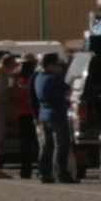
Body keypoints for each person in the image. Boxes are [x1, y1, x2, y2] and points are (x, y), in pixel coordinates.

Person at [0, 54, 35, 176]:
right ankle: (29, 170)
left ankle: (25, 170)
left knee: (25, 143)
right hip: (31, 113)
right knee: (33, 143)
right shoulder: (32, 78)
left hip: (21, 113)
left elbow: (12, 95)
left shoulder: (16, 79)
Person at [35, 55, 74, 184]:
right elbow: (68, 91)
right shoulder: (54, 78)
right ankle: (61, 173)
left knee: (46, 146)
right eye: (56, 65)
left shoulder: (38, 78)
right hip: (57, 115)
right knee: (61, 146)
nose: (58, 68)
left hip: (44, 115)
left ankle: (44, 172)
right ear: (50, 65)